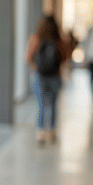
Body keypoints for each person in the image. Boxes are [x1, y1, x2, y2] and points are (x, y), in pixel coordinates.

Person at [26, 15, 68, 145]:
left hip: (39, 76)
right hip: (55, 75)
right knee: (53, 104)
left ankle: (41, 132)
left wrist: (37, 67)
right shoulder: (58, 40)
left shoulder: (36, 38)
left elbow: (28, 57)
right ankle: (52, 130)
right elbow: (65, 56)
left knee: (41, 104)